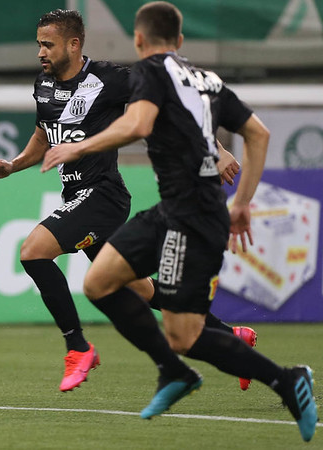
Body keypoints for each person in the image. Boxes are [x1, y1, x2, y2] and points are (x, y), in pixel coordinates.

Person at [41, 2, 317, 442]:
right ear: (181, 41)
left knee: (183, 333)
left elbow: (139, 123)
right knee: (99, 282)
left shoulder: (151, 69)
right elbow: (258, 134)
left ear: (139, 39)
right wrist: (242, 202)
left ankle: (287, 381)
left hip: (193, 217)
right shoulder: (204, 78)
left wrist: (78, 148)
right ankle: (173, 372)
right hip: (176, 209)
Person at [0, 9, 255, 393]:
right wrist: (13, 165)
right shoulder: (43, 84)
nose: (40, 52)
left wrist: (217, 148)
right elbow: (45, 134)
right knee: (142, 290)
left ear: (74, 45)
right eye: (38, 44)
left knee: (33, 251)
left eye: (48, 44)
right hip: (79, 197)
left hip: (103, 195)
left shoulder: (110, 79)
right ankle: (233, 338)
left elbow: (176, 99)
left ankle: (78, 348)